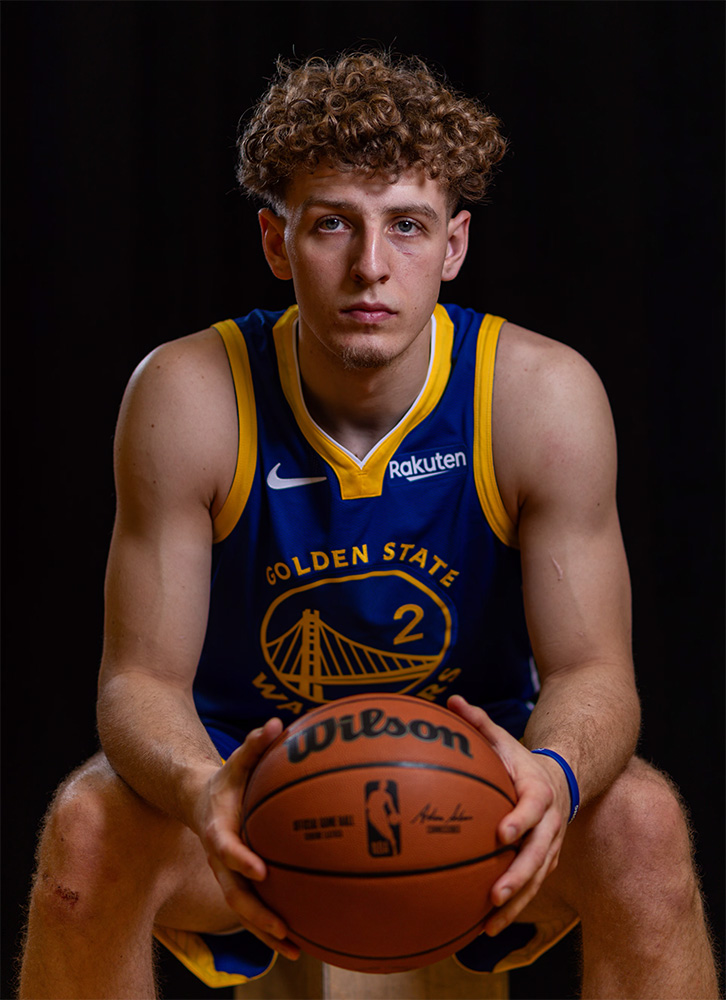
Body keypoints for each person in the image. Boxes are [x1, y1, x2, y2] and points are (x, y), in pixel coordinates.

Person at [19, 51, 718, 1000]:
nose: (370, 267)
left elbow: (596, 672)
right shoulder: (189, 396)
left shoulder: (538, 396)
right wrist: (201, 788)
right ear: (276, 242)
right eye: (332, 224)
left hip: (480, 800)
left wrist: (551, 773)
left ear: (455, 245)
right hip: (244, 797)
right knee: (88, 827)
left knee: (642, 823)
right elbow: (138, 681)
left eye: (407, 226)